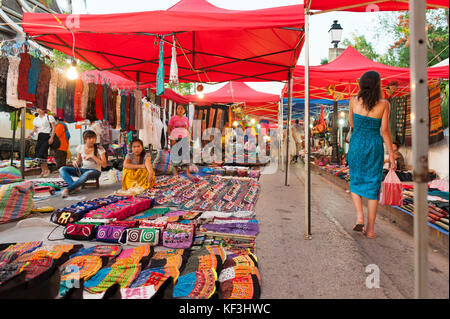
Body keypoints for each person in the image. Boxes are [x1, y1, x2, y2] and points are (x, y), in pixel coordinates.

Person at [347, 71, 396, 239]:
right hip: (375, 145)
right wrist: (392, 155)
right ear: (377, 85)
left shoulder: (353, 100)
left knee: (355, 180)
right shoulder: (384, 104)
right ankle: (370, 230)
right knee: (372, 187)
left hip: (357, 144)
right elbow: (384, 131)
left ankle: (359, 215)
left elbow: (351, 123)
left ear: (361, 84)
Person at [59, 130, 107, 198]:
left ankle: (68, 189)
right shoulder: (80, 147)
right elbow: (78, 160)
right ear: (85, 139)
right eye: (90, 138)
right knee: (62, 169)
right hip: (83, 170)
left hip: (95, 171)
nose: (92, 140)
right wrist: (75, 162)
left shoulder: (100, 148)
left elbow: (104, 165)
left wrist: (93, 156)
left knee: (87, 173)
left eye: (94, 138)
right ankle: (74, 186)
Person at [28, 108, 56, 178]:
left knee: (42, 153)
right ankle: (43, 171)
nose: (39, 110)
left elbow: (54, 128)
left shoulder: (49, 117)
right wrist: (31, 134)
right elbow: (35, 129)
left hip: (46, 136)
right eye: (38, 108)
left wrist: (51, 137)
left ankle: (46, 170)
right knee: (39, 155)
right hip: (39, 137)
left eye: (41, 108)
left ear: (44, 110)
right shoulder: (36, 119)